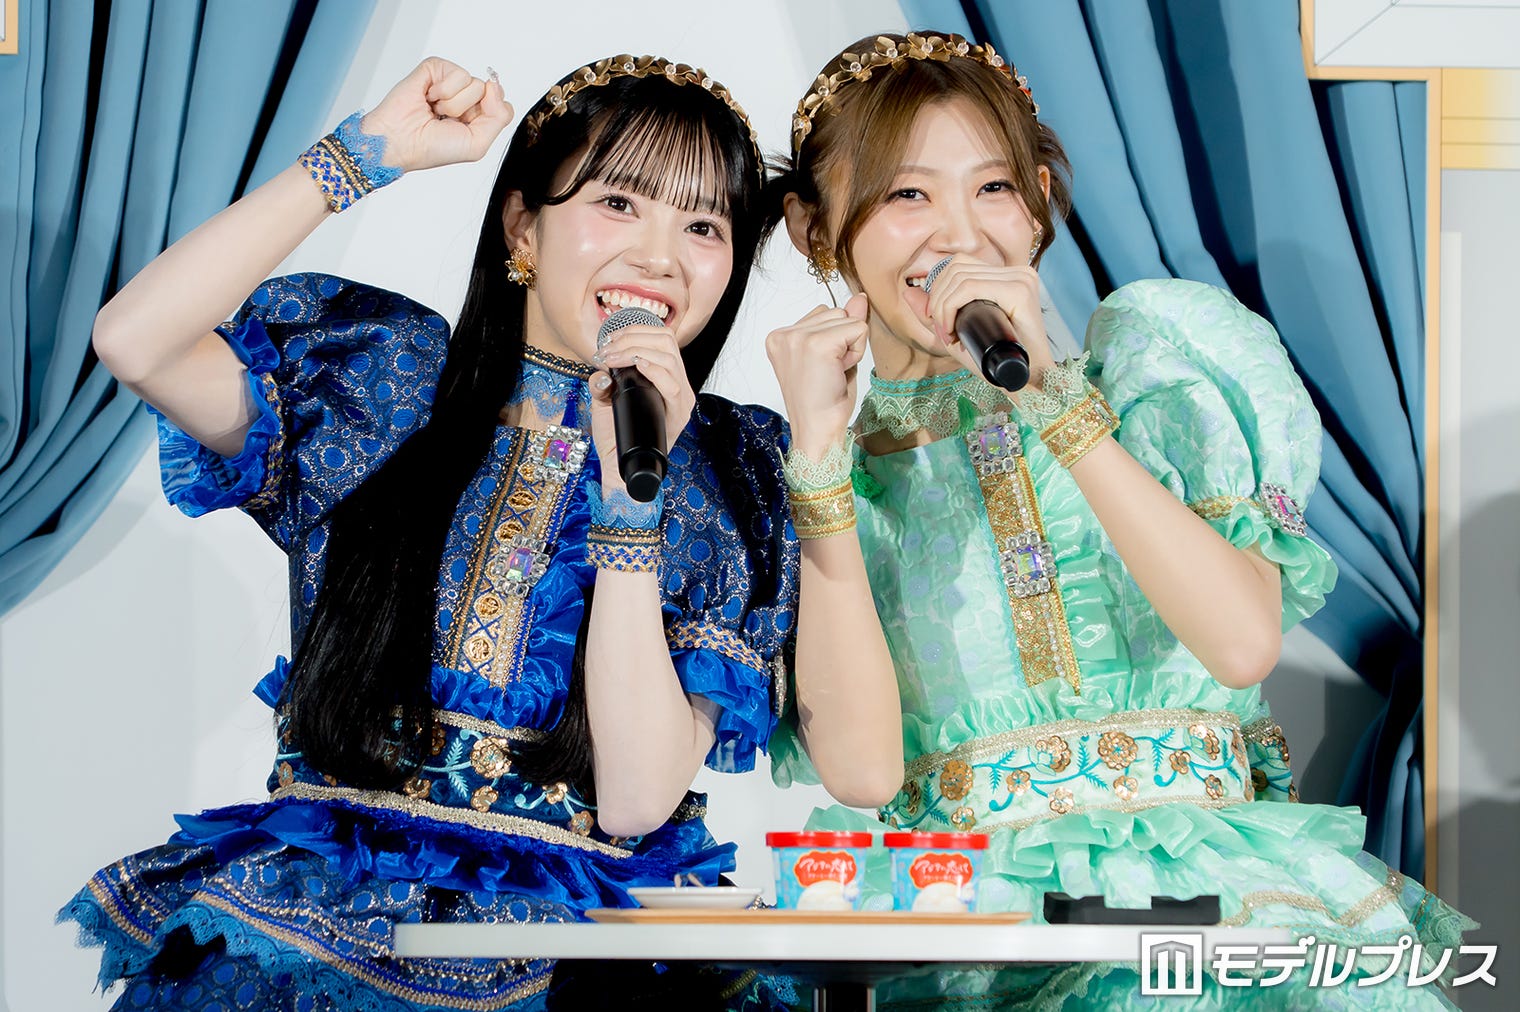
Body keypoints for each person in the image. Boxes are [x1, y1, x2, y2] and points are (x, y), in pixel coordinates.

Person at [60, 52, 898, 1011]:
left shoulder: (732, 473)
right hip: (309, 937)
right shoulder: (382, 381)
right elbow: (136, 339)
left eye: (704, 226)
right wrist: (362, 155)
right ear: (522, 226)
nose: (660, 255)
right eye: (618, 203)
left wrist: (632, 505)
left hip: (569, 968)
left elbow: (636, 798)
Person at [765, 31, 1473, 1009]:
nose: (956, 235)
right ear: (813, 229)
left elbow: (1241, 641)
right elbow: (861, 772)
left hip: (1213, 910)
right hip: (978, 935)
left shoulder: (1146, 377)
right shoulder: (821, 487)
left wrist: (1051, 401)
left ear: (1036, 204)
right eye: (904, 195)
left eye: (993, 188)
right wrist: (816, 458)